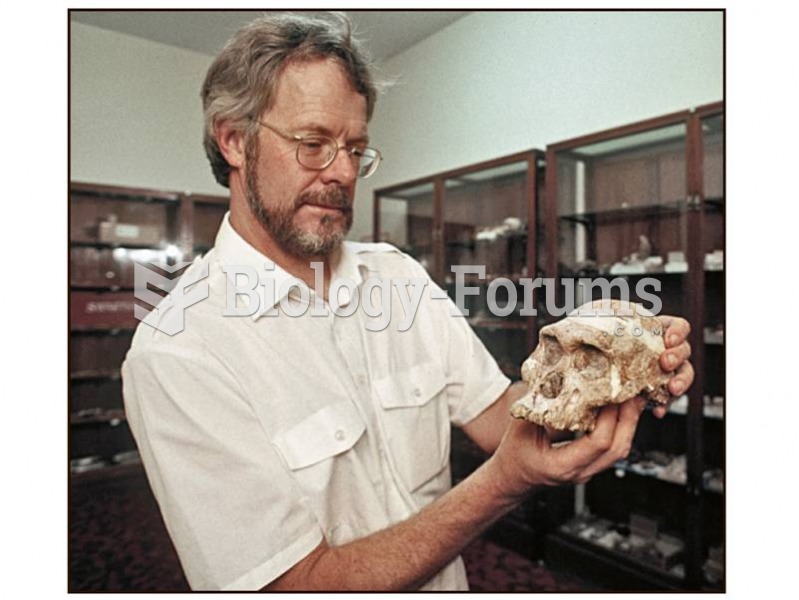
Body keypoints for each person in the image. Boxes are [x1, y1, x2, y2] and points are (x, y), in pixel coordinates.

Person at [121, 12, 694, 591]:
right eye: (314, 144)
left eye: (355, 149)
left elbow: (500, 414)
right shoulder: (180, 350)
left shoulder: (398, 278)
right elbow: (291, 584)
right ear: (234, 140)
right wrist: (503, 482)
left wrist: (614, 370)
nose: (343, 173)